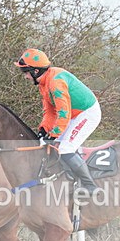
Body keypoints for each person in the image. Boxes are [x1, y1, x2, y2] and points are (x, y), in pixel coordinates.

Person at [15, 48, 101, 194]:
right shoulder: (44, 82)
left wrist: (53, 134)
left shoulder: (55, 83)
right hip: (72, 114)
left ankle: (90, 186)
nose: (26, 77)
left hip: (87, 113)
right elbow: (50, 112)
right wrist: (44, 129)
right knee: (51, 146)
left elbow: (63, 114)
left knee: (65, 148)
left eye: (26, 72)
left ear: (35, 71)